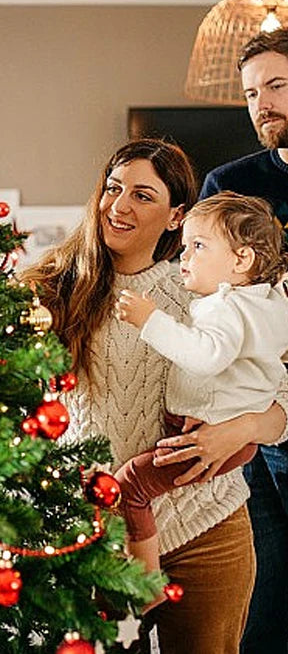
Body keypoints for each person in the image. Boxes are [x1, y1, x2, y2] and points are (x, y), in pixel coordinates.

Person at [19, 138, 288, 654]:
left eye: (143, 194)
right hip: (100, 531)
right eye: (113, 189)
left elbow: (280, 395)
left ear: (176, 215)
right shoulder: (52, 288)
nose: (120, 205)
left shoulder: (206, 291)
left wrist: (239, 430)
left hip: (207, 524)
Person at [174, 27, 288, 654]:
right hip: (249, 434)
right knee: (260, 613)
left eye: (276, 85)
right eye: (250, 93)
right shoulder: (231, 185)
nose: (260, 104)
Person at [112, 192, 288, 611]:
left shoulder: (225, 305)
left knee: (130, 486)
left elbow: (207, 356)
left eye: (198, 247)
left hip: (202, 436)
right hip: (227, 435)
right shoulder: (267, 302)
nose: (184, 257)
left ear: (240, 260)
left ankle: (147, 583)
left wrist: (149, 320)